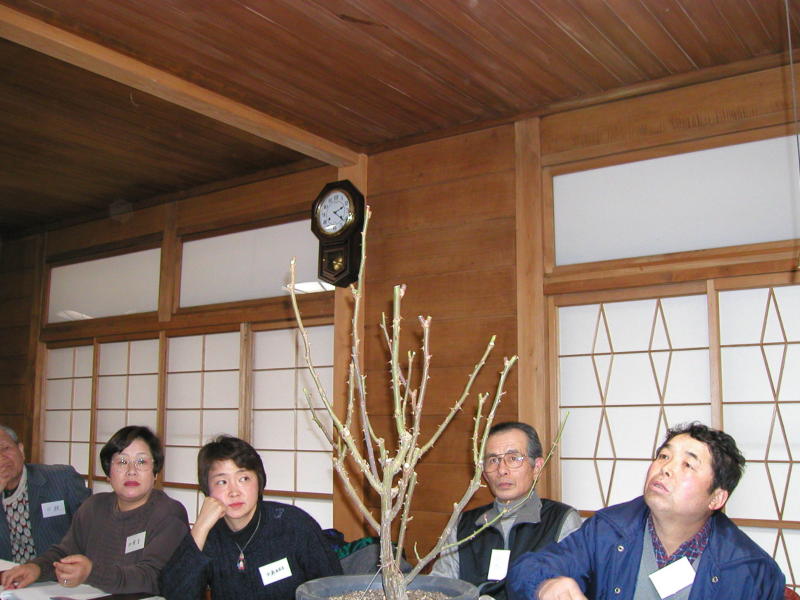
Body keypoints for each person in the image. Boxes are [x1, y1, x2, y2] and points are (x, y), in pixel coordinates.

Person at [507, 422, 786, 600]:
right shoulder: (609, 529)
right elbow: (528, 568)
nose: (665, 468)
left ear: (716, 498)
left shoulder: (752, 570)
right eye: (664, 456)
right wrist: (544, 585)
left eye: (688, 464)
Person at [1, 425, 189, 594]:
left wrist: (91, 572)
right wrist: (36, 568)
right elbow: (64, 553)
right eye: (122, 462)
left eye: (141, 462)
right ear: (109, 474)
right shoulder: (94, 507)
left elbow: (151, 577)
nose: (131, 470)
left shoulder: (169, 514)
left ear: (155, 472)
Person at [159, 435, 342, 599]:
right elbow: (174, 594)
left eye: (244, 479)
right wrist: (200, 528)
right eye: (222, 482)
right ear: (207, 489)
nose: (234, 492)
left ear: (259, 481)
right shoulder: (209, 536)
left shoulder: (294, 525)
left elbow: (335, 590)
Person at [431, 422, 581, 600]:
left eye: (513, 458)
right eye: (493, 460)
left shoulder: (560, 519)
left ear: (537, 467)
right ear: (484, 474)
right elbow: (440, 588)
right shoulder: (464, 524)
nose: (502, 470)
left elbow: (568, 589)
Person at [0, 424, 90, 562]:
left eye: (5, 448)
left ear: (21, 450)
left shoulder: (62, 479)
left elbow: (93, 526)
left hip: (57, 570)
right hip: (8, 573)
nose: (1, 457)